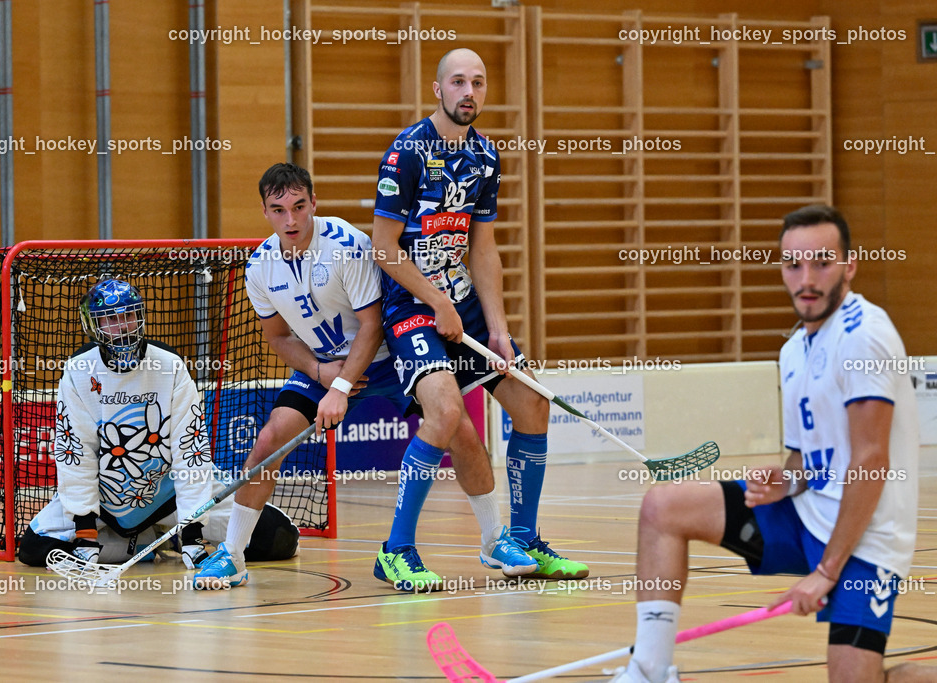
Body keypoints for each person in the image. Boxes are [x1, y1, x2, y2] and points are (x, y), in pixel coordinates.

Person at [610, 205, 932, 683]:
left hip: (867, 540)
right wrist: (787, 481)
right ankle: (651, 669)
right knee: (664, 508)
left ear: (850, 266)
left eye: (822, 263)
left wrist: (827, 571)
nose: (807, 279)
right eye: (793, 265)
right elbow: (805, 458)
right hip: (807, 516)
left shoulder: (864, 336)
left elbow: (871, 460)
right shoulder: (794, 350)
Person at [194, 162, 536, 591]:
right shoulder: (260, 266)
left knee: (462, 431)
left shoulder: (345, 244)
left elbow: (372, 326)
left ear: (314, 203)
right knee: (270, 439)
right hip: (327, 365)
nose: (291, 219)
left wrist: (340, 387)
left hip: (387, 356)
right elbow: (277, 337)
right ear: (265, 211)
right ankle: (232, 554)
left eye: (299, 206)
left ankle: (494, 540)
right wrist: (320, 370)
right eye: (278, 210)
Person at [371, 47, 588, 586]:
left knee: (532, 403)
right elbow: (384, 247)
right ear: (438, 89)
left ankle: (524, 540)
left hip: (462, 304)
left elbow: (483, 249)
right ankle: (396, 549)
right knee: (446, 414)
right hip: (411, 306)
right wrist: (437, 302)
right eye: (458, 82)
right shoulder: (407, 152)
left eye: (478, 83)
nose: (469, 92)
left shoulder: (486, 156)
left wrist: (498, 329)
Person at [18, 278, 299, 572]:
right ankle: (145, 542)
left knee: (278, 538)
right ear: (94, 325)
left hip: (169, 495)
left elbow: (190, 449)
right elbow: (76, 453)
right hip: (106, 501)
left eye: (129, 315)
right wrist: (86, 534)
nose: (123, 326)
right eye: (111, 319)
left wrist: (192, 533)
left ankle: (173, 535)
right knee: (35, 549)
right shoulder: (78, 371)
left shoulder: (170, 366)